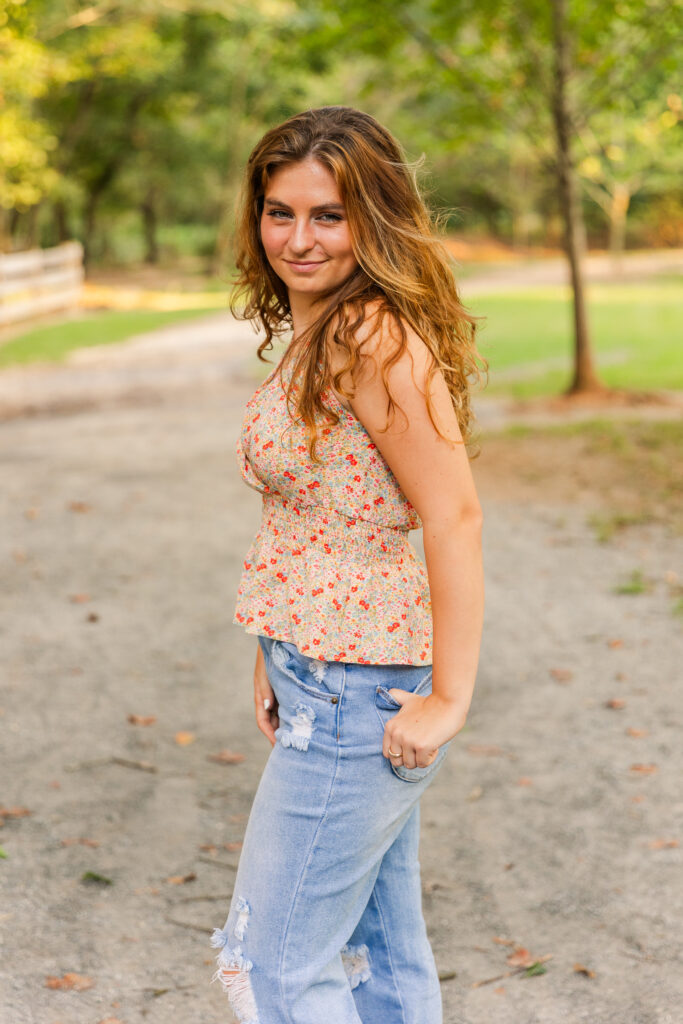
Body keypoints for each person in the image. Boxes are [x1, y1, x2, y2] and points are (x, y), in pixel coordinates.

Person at [210, 105, 486, 1024]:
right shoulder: (316, 329)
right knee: (376, 956)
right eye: (279, 212)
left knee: (270, 967)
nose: (299, 238)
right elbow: (315, 510)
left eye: (327, 214)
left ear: (372, 216)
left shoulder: (372, 338)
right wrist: (272, 643)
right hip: (320, 666)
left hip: (356, 691)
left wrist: (449, 697)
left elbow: (451, 515)